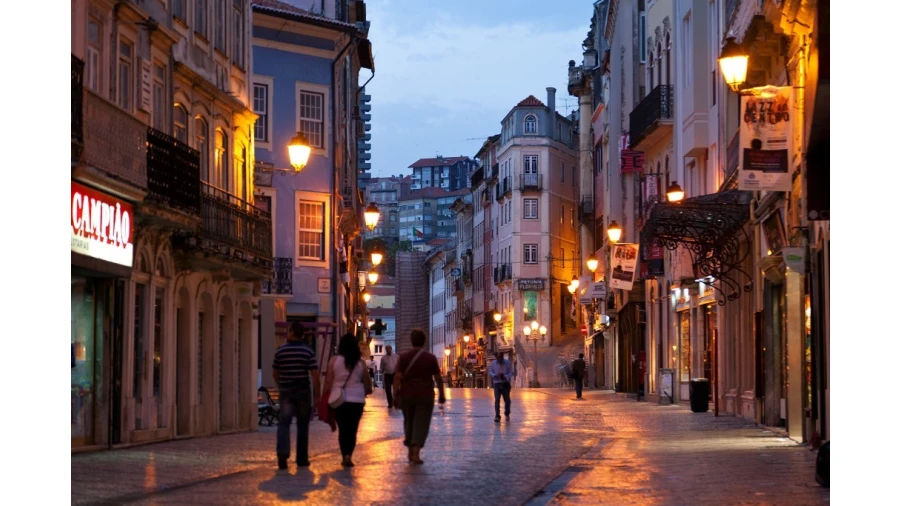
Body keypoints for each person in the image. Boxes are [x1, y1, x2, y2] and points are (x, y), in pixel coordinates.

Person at [272, 321, 321, 470]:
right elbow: (315, 375)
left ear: (292, 332)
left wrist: (282, 384)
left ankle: (282, 454)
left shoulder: (280, 351)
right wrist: (317, 396)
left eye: (289, 330)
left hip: (286, 390)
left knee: (284, 422)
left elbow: (275, 373)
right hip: (303, 390)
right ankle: (302, 458)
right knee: (302, 424)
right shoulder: (308, 352)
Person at [393, 328, 445, 464]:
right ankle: (415, 452)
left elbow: (398, 376)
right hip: (425, 394)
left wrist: (395, 394)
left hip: (407, 394)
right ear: (424, 341)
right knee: (421, 423)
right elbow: (438, 378)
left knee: (408, 421)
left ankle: (410, 450)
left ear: (411, 341)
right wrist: (442, 394)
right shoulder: (430, 358)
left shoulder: (403, 357)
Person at [323, 333, 373, 467]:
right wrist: (365, 390)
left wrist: (324, 397)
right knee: (352, 429)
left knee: (343, 429)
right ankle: (348, 455)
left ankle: (344, 454)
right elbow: (368, 384)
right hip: (357, 400)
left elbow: (328, 383)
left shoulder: (334, 361)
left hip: (339, 400)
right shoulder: (360, 363)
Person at [488, 351, 515, 423]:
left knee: (507, 400)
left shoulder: (507, 363)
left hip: (505, 383)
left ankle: (507, 413)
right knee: (497, 400)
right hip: (497, 383)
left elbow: (511, 372)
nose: (500, 359)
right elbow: (490, 371)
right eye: (498, 357)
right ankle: (497, 416)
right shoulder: (493, 363)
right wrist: (495, 375)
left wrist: (505, 376)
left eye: (501, 357)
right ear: (496, 357)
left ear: (503, 357)